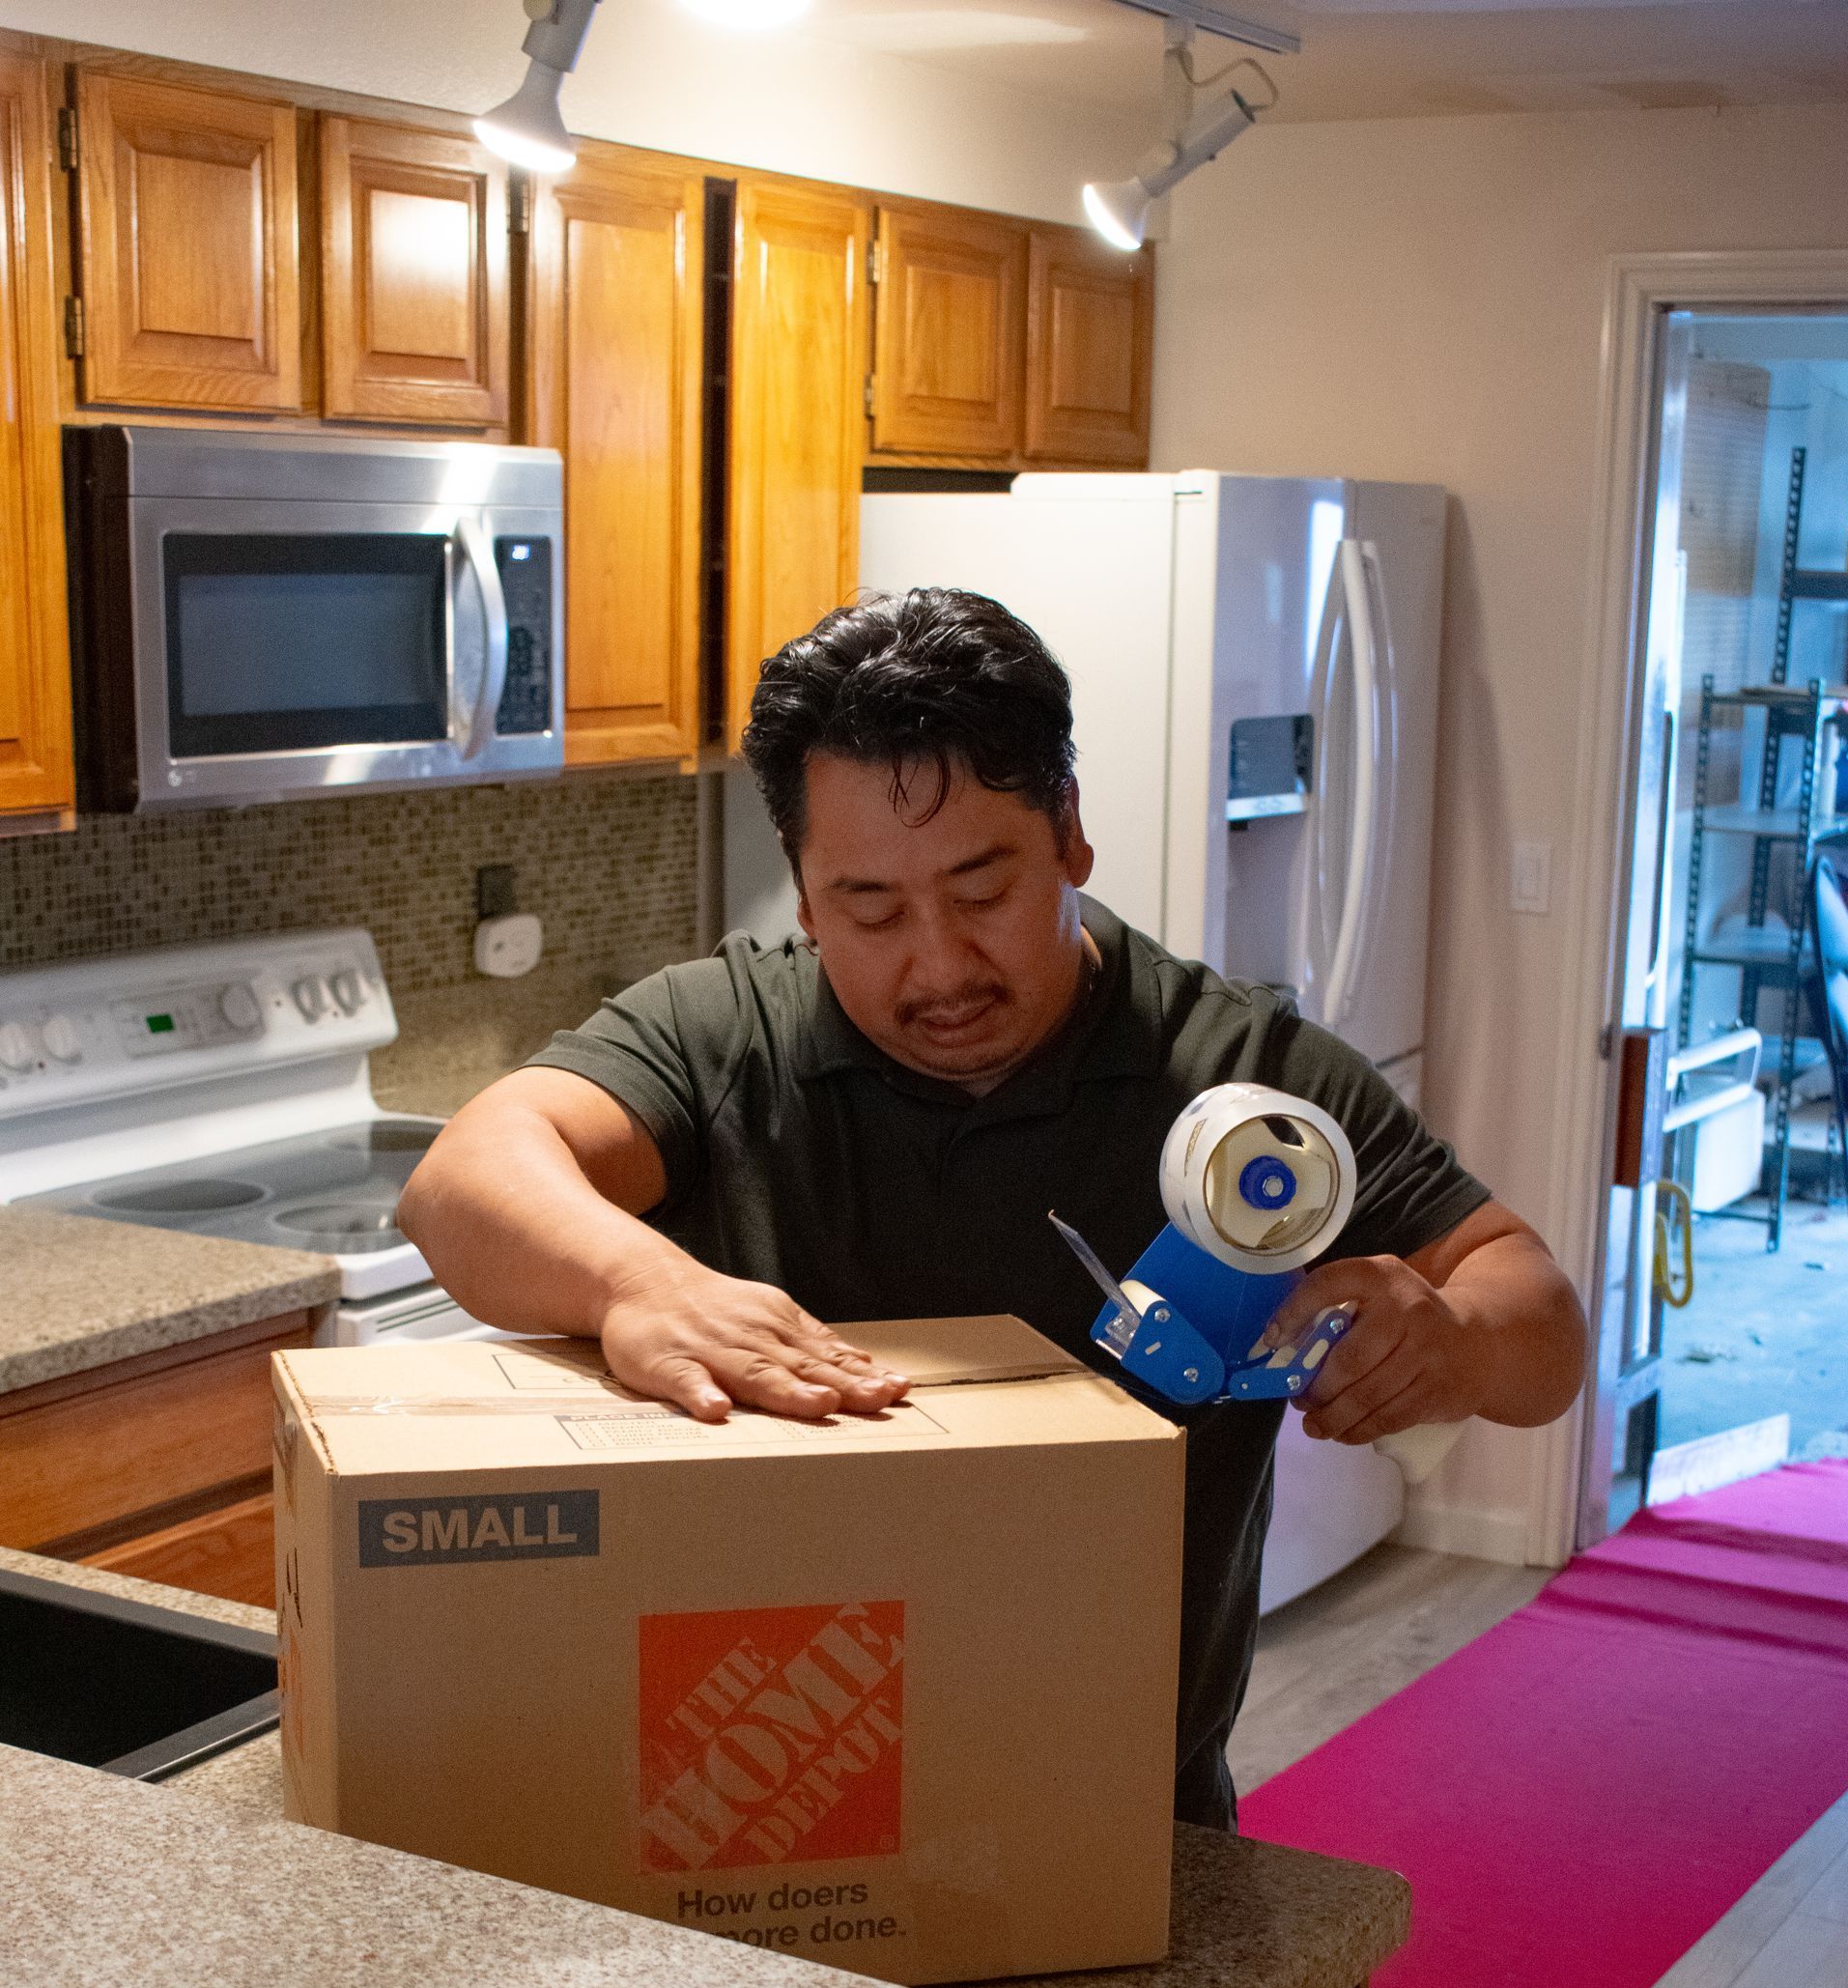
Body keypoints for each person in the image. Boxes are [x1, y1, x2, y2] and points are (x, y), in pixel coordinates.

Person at [400, 588, 1587, 1828]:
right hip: (752, 1808)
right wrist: (639, 1284)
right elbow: (463, 1181)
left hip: (1123, 1823)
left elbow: (1540, 1324)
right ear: (805, 897)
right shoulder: (722, 1038)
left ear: (1069, 832)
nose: (941, 965)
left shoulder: (1243, 1072)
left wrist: (1450, 1342)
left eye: (982, 890)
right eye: (871, 909)